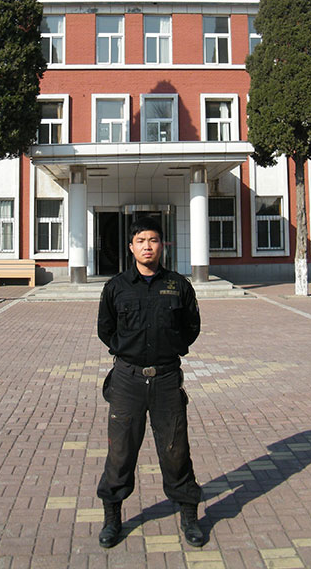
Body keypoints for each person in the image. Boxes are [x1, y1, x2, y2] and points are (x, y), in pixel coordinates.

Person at [96, 216, 204, 548]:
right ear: (131, 247)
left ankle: (189, 514)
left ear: (162, 245)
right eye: (141, 241)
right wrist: (128, 353)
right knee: (120, 451)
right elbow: (105, 329)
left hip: (166, 380)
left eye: (153, 240)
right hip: (127, 381)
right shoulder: (116, 287)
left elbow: (191, 327)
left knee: (175, 450)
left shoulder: (178, 285)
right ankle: (112, 517)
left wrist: (170, 350)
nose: (147, 246)